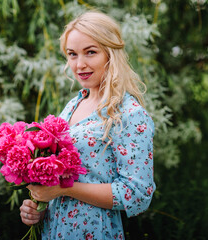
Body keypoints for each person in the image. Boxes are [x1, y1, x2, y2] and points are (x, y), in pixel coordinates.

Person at [20, 11, 155, 239]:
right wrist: (39, 208)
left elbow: (137, 194)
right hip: (54, 231)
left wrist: (65, 188)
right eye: (72, 54)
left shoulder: (128, 114)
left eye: (90, 52)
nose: (80, 64)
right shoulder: (73, 105)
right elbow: (58, 182)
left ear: (110, 54)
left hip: (94, 231)